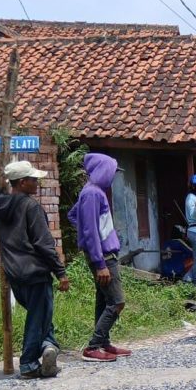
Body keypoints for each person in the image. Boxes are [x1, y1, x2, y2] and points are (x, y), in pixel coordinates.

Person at [0, 161, 71, 379]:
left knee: (40, 315)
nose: (37, 182)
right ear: (22, 183)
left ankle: (48, 347)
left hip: (14, 273)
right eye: (33, 179)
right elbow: (44, 244)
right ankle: (29, 363)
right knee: (37, 317)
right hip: (35, 272)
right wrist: (60, 272)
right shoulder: (30, 207)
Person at [69, 153, 130, 363]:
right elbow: (91, 231)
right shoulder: (93, 194)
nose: (113, 176)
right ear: (103, 170)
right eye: (112, 172)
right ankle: (93, 346)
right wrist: (99, 261)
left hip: (103, 253)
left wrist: (85, 236)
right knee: (117, 302)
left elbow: (74, 216)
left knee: (104, 300)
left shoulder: (93, 193)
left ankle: (103, 343)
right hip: (104, 256)